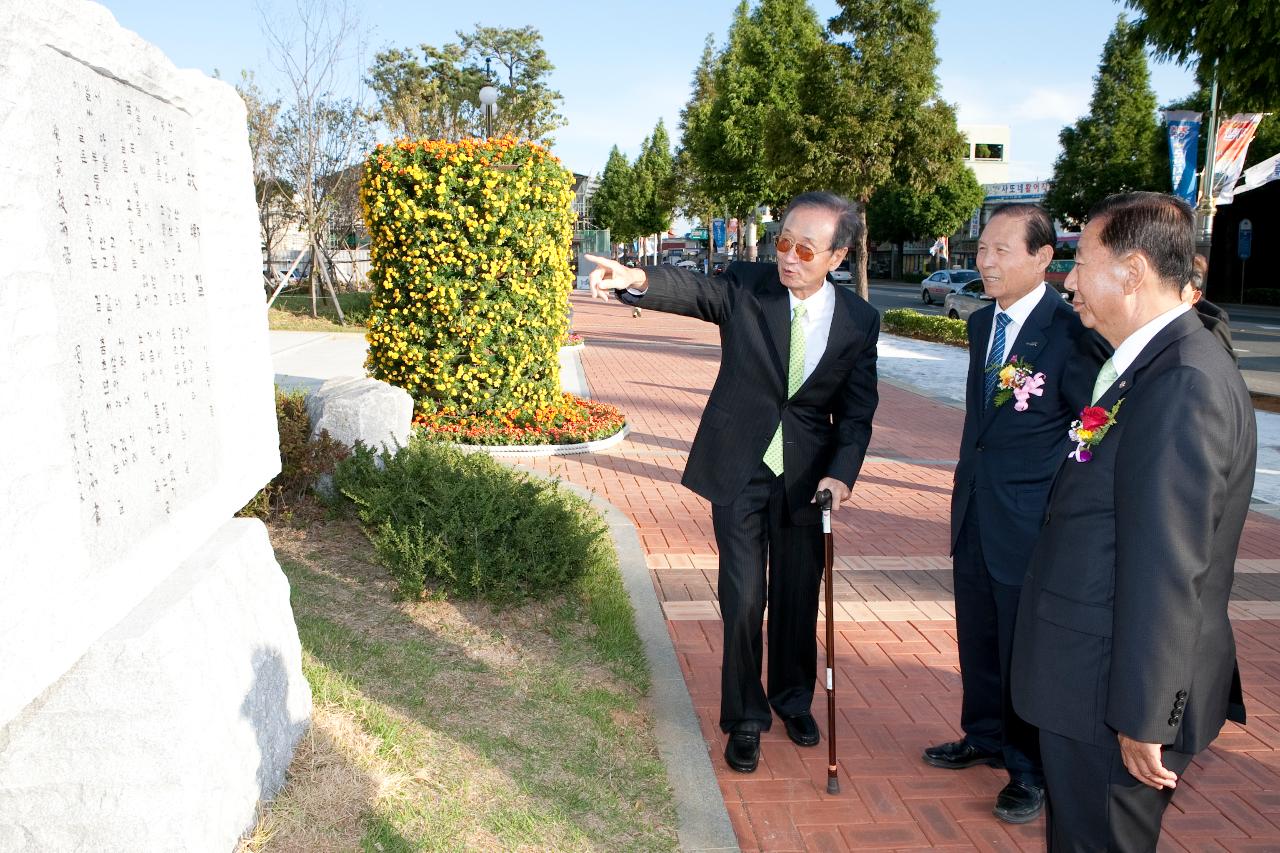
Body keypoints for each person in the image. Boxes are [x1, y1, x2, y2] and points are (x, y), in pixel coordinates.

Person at [585, 191, 879, 774]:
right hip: (741, 465)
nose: (788, 256)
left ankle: (792, 698)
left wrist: (842, 474)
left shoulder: (859, 321)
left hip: (806, 478)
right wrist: (636, 278)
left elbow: (857, 410)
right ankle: (744, 718)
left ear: (837, 258)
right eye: (783, 242)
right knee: (744, 599)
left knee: (798, 597)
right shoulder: (748, 286)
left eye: (804, 248)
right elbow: (694, 292)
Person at [1011, 192, 1254, 851]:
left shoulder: (1182, 381)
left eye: (1081, 261)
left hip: (1110, 695)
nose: (1067, 279)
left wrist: (1144, 716)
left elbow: (1169, 561)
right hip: (1093, 675)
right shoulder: (1151, 364)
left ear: (1134, 270)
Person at [923, 204, 1106, 824]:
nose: (987, 261)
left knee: (1022, 649)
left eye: (1003, 250)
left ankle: (1029, 770)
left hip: (1029, 520)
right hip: (974, 507)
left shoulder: (1070, 332)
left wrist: (1061, 484)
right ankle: (983, 735)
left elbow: (1094, 424)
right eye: (982, 249)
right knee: (977, 634)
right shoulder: (982, 326)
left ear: (1043, 258)